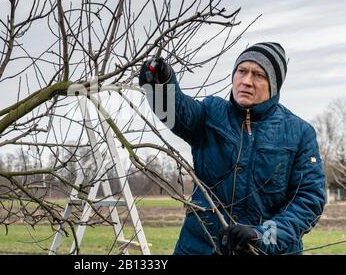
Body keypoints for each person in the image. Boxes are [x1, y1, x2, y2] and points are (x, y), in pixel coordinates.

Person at [138, 42, 326, 255]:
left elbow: (308, 203)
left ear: (274, 85)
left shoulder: (299, 133)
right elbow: (174, 113)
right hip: (200, 248)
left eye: (258, 75)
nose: (246, 81)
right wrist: (160, 85)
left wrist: (262, 235)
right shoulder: (210, 114)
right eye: (242, 71)